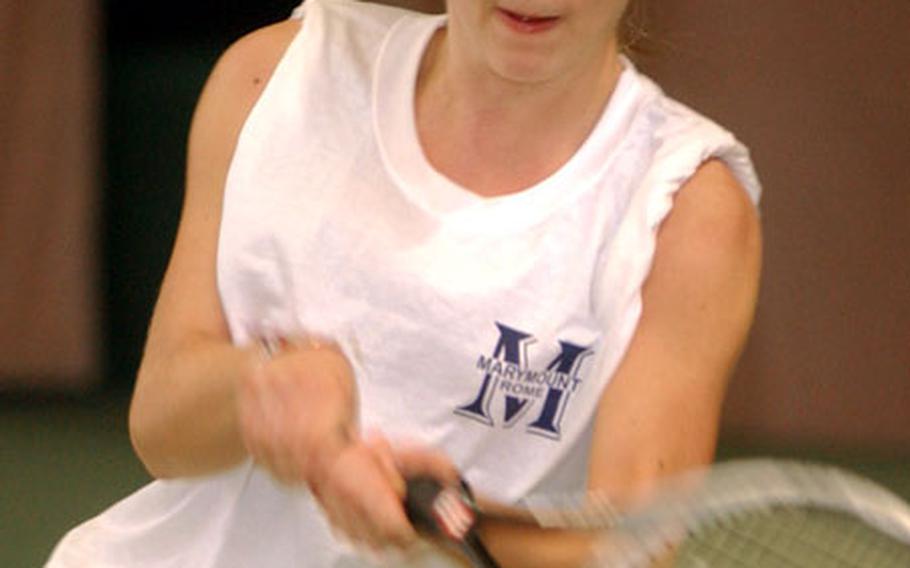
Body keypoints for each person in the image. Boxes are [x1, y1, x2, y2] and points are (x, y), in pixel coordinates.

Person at [48, 0, 762, 565]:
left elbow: (628, 550)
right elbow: (161, 429)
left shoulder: (687, 212)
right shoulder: (273, 76)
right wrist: (262, 386)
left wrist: (449, 524)